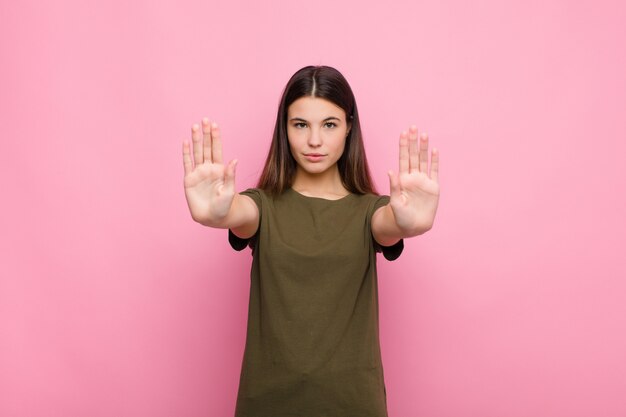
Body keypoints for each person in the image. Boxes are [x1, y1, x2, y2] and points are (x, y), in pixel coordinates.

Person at [181, 65, 440, 417]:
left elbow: (388, 224)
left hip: (353, 404)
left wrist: (409, 223)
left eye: (329, 125)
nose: (314, 141)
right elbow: (240, 215)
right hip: (268, 403)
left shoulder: (370, 213)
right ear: (284, 129)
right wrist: (217, 214)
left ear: (349, 127)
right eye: (300, 125)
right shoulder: (263, 206)